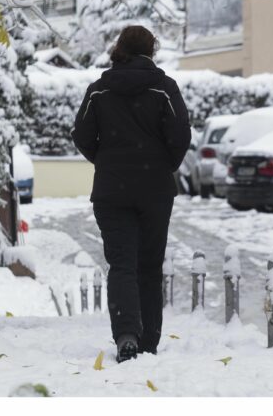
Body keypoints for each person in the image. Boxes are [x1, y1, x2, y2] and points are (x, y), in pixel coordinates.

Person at [71, 25, 191, 363]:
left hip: (111, 190)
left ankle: (127, 334)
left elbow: (81, 135)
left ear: (119, 49)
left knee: (121, 264)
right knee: (150, 265)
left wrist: (106, 161)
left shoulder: (99, 90)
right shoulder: (164, 88)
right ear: (151, 51)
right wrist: (163, 165)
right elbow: (181, 135)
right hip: (155, 191)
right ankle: (149, 340)